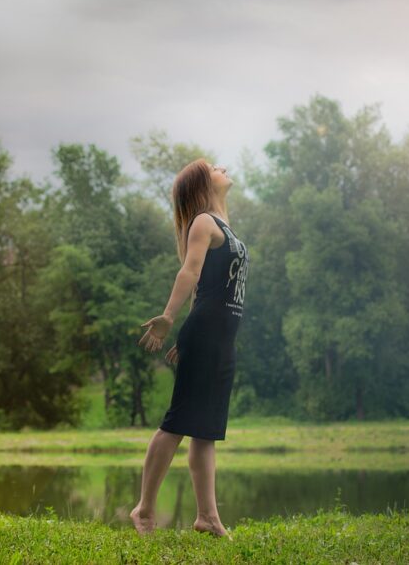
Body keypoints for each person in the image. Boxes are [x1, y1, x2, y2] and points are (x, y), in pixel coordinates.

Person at [129, 158, 249, 538]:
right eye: (214, 166)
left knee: (205, 429)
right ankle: (145, 510)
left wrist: (185, 336)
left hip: (219, 339)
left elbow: (206, 288)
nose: (223, 167)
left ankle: (207, 517)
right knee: (178, 422)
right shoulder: (203, 222)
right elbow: (190, 273)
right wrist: (168, 319)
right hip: (207, 335)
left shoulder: (222, 225)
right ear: (202, 182)